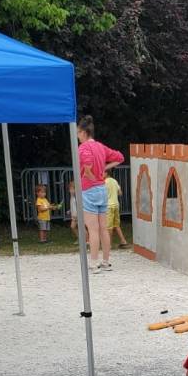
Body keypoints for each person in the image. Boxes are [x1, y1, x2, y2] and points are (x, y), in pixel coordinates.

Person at [76, 116, 125, 272]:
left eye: (78, 133)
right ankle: (105, 261)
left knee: (93, 229)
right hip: (101, 189)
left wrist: (89, 175)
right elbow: (120, 157)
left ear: (83, 132)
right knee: (103, 228)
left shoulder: (83, 148)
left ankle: (94, 263)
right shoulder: (100, 147)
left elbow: (87, 165)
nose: (77, 136)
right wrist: (104, 169)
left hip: (88, 190)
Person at [105, 175, 129, 249]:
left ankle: (108, 245)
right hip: (116, 205)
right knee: (116, 225)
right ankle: (123, 241)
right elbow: (120, 193)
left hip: (108, 206)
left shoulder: (104, 182)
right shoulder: (114, 181)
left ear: (106, 173)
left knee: (109, 226)